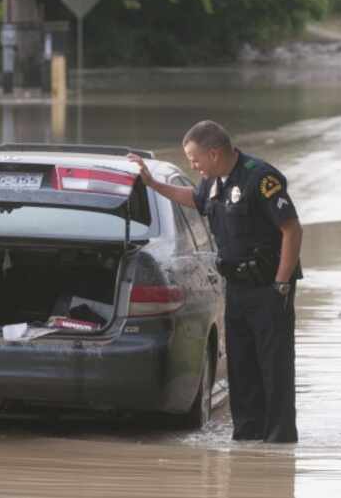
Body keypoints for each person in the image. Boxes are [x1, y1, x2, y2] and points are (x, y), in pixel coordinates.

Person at [128, 120, 303, 443]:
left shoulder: (260, 177)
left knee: (274, 369)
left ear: (214, 152)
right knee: (241, 367)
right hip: (235, 288)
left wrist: (281, 284)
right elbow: (193, 199)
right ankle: (248, 438)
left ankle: (279, 443)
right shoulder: (212, 182)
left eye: (194, 158)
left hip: (269, 288)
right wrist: (152, 184)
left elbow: (291, 229)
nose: (192, 165)